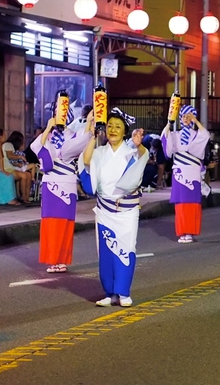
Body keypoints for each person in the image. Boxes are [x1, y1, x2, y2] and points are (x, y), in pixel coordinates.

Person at [79, 108, 148, 307]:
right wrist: (93, 136)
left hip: (126, 211)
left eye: (118, 126)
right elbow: (85, 162)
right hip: (104, 211)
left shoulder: (132, 150)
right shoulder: (99, 152)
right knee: (106, 251)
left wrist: (139, 145)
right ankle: (110, 293)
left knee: (126, 248)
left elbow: (143, 156)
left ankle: (123, 292)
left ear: (125, 130)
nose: (113, 130)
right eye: (110, 126)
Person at [31, 110, 93, 273]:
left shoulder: (73, 134)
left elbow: (82, 141)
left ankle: (62, 259)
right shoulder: (49, 134)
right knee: (50, 222)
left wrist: (89, 123)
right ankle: (52, 260)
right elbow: (36, 147)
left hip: (67, 182)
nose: (62, 116)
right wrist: (48, 129)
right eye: (59, 112)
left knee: (65, 223)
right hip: (51, 183)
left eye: (65, 113)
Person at [161, 104, 210, 244]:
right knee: (180, 205)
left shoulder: (197, 134)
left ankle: (190, 232)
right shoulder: (175, 135)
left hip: (193, 172)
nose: (186, 119)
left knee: (192, 204)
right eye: (184, 116)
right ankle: (182, 232)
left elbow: (206, 135)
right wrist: (169, 122)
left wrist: (196, 122)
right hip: (179, 172)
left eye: (189, 117)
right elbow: (165, 138)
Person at [2, 131, 35, 204]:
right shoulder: (8, 144)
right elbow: (9, 156)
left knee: (28, 175)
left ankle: (26, 197)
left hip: (12, 167)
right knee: (24, 175)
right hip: (8, 168)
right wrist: (20, 157)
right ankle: (23, 197)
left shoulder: (11, 146)